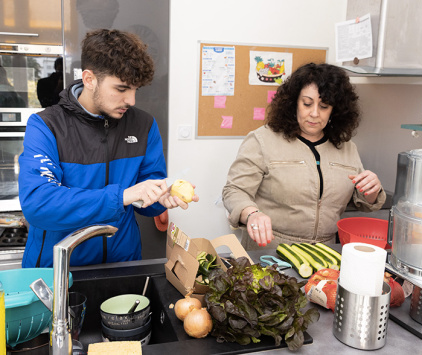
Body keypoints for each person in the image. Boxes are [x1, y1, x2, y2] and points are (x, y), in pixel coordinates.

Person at [19, 29, 198, 268]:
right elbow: (39, 204)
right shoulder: (46, 126)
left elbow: (145, 193)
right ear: (89, 79)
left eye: (136, 90)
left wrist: (160, 198)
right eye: (121, 89)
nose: (131, 101)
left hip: (122, 267)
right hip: (59, 270)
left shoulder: (144, 125)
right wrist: (123, 196)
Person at [222, 63, 386, 250]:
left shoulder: (347, 148)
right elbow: (234, 191)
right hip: (270, 250)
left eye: (324, 106)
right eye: (307, 104)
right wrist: (251, 214)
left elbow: (363, 202)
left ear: (335, 110)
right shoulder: (262, 140)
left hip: (325, 252)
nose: (314, 113)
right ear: (294, 103)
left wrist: (372, 192)